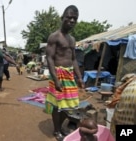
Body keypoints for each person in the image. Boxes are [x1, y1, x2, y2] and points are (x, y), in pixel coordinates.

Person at [44, 5, 84, 141]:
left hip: (69, 74)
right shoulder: (54, 36)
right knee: (57, 105)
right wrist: (55, 79)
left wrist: (79, 77)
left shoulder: (72, 39)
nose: (72, 21)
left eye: (75, 19)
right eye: (69, 17)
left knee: (71, 105)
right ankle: (56, 131)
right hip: (58, 73)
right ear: (62, 18)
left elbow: (73, 59)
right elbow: (49, 58)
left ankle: (59, 127)